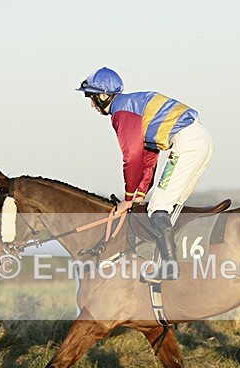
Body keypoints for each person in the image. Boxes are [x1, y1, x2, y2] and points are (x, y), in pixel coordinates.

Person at [76, 67, 213, 279]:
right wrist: (140, 194)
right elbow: (149, 156)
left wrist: (128, 198)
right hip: (199, 139)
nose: (91, 105)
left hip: (186, 143)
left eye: (92, 98)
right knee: (172, 207)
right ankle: (174, 259)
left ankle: (170, 267)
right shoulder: (133, 105)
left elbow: (132, 157)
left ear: (104, 95)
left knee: (159, 206)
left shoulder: (121, 112)